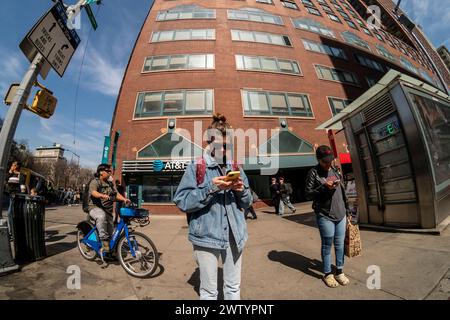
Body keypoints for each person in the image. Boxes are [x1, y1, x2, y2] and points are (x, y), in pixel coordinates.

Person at [173, 113, 253, 300]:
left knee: (233, 288)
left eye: (228, 146)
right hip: (206, 237)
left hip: (235, 235)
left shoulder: (236, 166)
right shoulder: (196, 166)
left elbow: (248, 202)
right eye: (219, 146)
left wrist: (241, 190)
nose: (224, 150)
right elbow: (182, 201)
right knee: (209, 292)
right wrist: (211, 187)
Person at [305, 145, 352, 288]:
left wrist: (348, 210)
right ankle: (327, 273)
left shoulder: (335, 170)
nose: (328, 164)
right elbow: (308, 194)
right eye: (325, 161)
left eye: (330, 160)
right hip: (325, 214)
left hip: (341, 213)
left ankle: (339, 271)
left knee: (339, 245)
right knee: (327, 245)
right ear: (318, 160)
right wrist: (325, 187)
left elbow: (343, 191)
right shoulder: (313, 172)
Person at [87, 164, 131, 252]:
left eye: (110, 171)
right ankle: (103, 241)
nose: (110, 172)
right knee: (101, 216)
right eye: (108, 171)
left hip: (107, 211)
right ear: (101, 172)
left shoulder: (110, 184)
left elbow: (116, 194)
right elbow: (93, 192)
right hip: (95, 208)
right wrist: (102, 195)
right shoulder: (95, 182)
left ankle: (109, 252)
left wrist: (124, 199)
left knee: (111, 234)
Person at [4, 161, 26, 239]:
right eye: (12, 164)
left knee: (10, 213)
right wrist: (10, 172)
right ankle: (13, 232)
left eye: (14, 165)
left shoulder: (20, 175)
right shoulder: (10, 174)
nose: (12, 165)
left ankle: (12, 233)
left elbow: (22, 187)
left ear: (17, 166)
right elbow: (5, 179)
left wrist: (21, 196)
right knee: (12, 214)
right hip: (9, 195)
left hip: (15, 196)